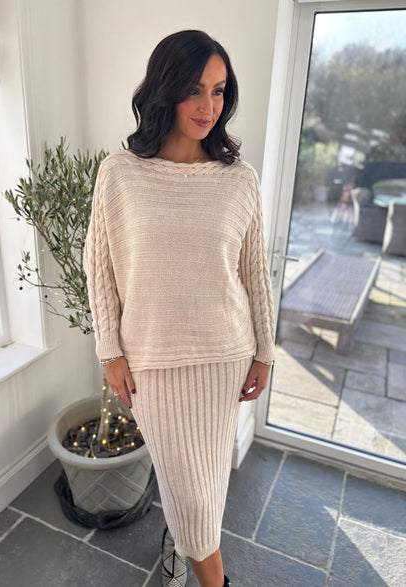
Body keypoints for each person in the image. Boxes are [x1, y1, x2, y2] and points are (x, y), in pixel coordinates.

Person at [83, 30, 276, 587]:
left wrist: (264, 351)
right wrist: (109, 351)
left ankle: (179, 545)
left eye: (218, 91)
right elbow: (100, 268)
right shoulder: (120, 173)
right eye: (194, 89)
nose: (208, 106)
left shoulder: (239, 180)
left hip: (225, 358)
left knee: (205, 487)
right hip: (153, 364)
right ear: (165, 89)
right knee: (191, 497)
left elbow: (253, 273)